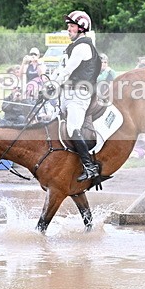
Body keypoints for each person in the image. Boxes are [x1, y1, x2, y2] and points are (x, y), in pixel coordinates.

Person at [48, 10, 101, 182]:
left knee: (72, 129)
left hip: (79, 94)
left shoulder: (83, 46)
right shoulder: (73, 47)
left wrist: (54, 85)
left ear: (81, 28)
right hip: (68, 93)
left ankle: (89, 166)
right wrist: (49, 84)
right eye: (69, 27)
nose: (68, 30)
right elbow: (61, 70)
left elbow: (68, 70)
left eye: (71, 27)